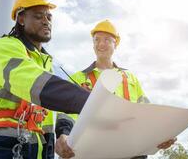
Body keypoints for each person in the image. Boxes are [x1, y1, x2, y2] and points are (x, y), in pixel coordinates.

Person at [0, 0, 90, 159]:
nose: (46, 21)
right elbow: (31, 82)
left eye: (49, 17)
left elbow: (45, 115)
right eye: (39, 16)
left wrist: (55, 141)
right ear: (21, 18)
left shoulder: (45, 61)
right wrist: (85, 99)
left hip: (36, 146)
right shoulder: (4, 46)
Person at [55, 20, 176, 159]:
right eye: (97, 40)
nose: (101, 44)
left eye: (107, 40)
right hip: (93, 150)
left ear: (115, 44)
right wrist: (63, 133)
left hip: (130, 150)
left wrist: (162, 133)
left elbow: (147, 111)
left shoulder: (130, 78)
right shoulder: (78, 77)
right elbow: (65, 114)